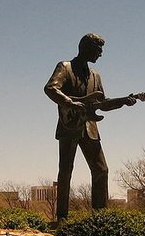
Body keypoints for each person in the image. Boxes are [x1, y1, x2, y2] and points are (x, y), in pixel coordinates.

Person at [45, 33, 136, 221]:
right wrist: (70, 103)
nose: (100, 54)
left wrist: (124, 101)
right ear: (85, 48)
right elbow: (51, 88)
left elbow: (102, 103)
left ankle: (99, 218)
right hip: (69, 125)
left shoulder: (95, 75)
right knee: (65, 171)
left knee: (101, 170)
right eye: (98, 50)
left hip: (90, 129)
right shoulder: (65, 67)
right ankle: (62, 217)